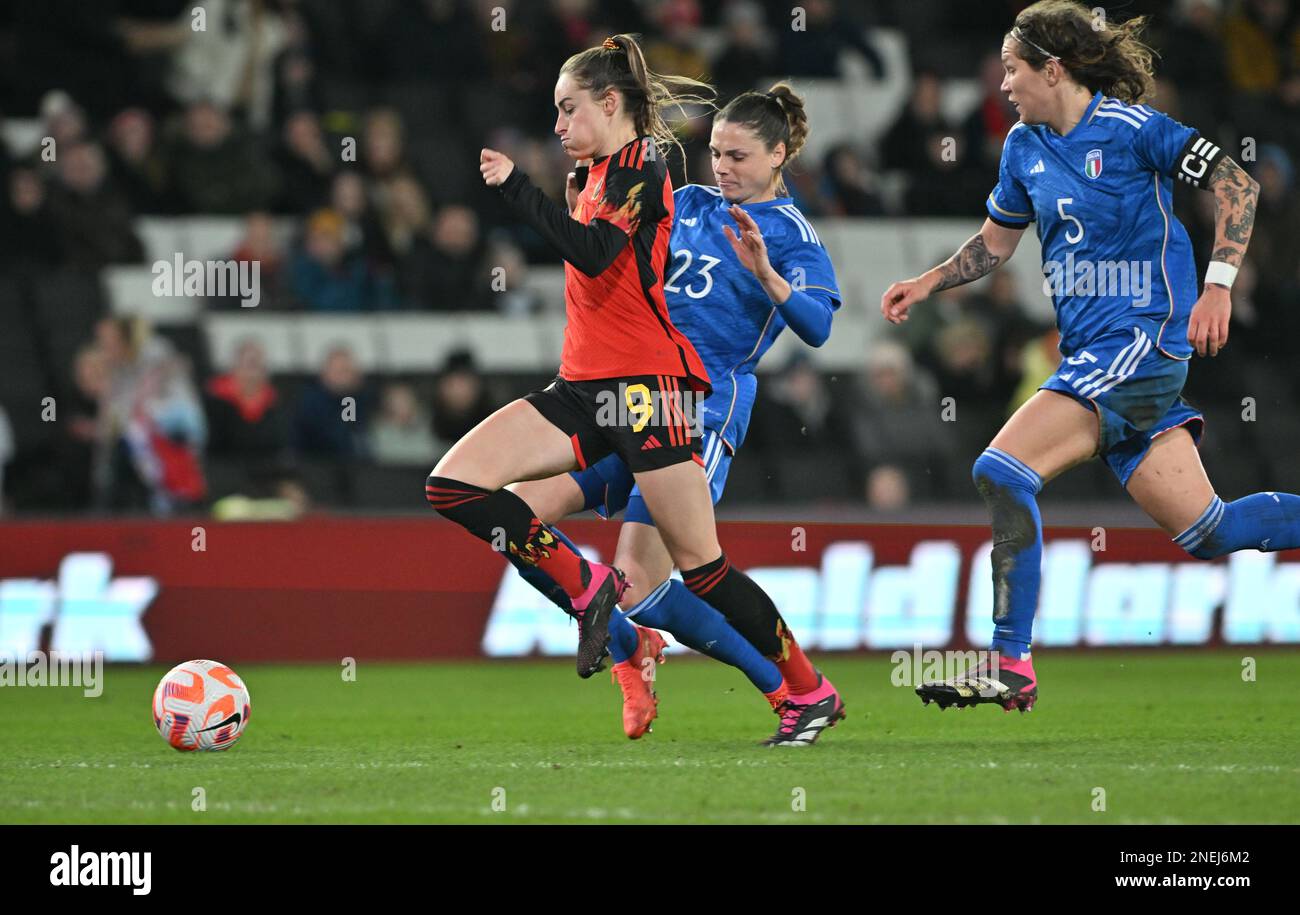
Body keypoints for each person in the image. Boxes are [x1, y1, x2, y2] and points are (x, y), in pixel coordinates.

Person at [426, 35, 842, 747]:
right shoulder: (688, 201)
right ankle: (625, 640)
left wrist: (769, 275)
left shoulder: (788, 233)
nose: (723, 167)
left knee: (679, 573)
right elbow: (616, 262)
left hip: (690, 403)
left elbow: (818, 326)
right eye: (715, 153)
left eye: (739, 156)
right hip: (600, 390)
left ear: (778, 157)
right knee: (514, 513)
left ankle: (799, 688)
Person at [880, 0, 1292, 713]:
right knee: (1209, 529)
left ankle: (1011, 663)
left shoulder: (1135, 131)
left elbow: (1236, 184)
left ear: (1053, 68)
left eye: (1013, 69)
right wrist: (930, 281)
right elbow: (996, 244)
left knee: (1000, 469)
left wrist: (1218, 285)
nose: (1003, 84)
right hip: (1098, 356)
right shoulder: (1022, 147)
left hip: (1141, 341)